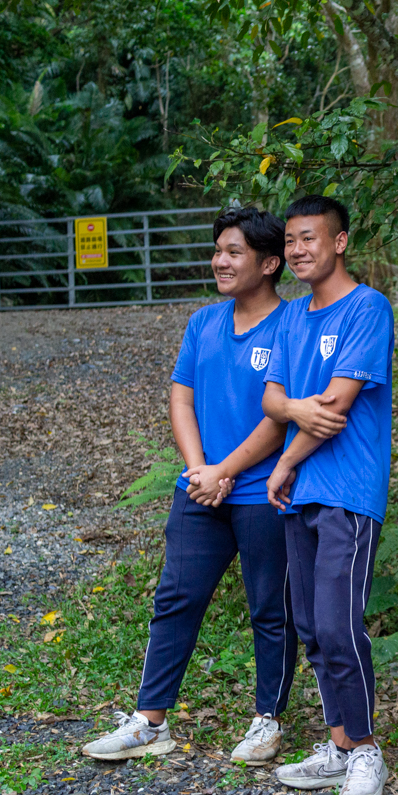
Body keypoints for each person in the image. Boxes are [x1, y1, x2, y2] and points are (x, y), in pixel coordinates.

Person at [81, 207, 296, 764]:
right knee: (176, 598)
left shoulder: (293, 325)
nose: (219, 261)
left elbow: (280, 417)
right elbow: (181, 396)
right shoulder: (203, 322)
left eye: (233, 252)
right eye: (218, 250)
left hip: (262, 492)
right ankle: (151, 722)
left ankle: (267, 720)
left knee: (270, 608)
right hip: (200, 490)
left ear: (270, 263)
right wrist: (201, 468)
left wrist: (226, 471)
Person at [260, 194, 395, 795]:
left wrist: (286, 456)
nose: (297, 250)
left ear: (339, 241)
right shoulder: (290, 318)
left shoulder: (368, 308)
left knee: (341, 624)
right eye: (290, 241)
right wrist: (292, 410)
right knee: (312, 627)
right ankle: (338, 745)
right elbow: (274, 401)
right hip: (301, 496)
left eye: (309, 238)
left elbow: (335, 408)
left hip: (347, 489)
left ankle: (367, 750)